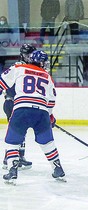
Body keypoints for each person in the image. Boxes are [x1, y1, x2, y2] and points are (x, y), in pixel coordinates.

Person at [0, 50, 65, 185]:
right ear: (41, 62)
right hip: (41, 113)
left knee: (13, 141)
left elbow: (2, 83)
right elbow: (51, 101)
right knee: (47, 142)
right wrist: (50, 116)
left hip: (21, 110)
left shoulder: (18, 68)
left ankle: (12, 170)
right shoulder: (47, 76)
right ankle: (57, 168)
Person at [2, 44, 36, 171]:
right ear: (22, 55)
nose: (29, 57)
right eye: (27, 55)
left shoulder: (29, 68)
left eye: (31, 55)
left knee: (22, 131)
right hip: (12, 104)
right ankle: (7, 158)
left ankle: (20, 156)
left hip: (21, 104)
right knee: (15, 131)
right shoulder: (16, 67)